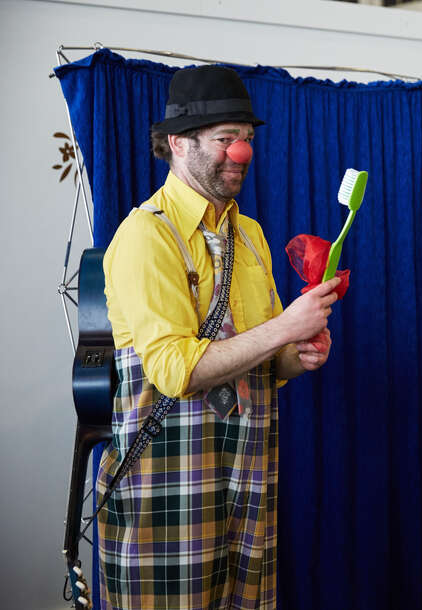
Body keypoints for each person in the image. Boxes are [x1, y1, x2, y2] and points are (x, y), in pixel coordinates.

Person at [98, 65, 341, 609]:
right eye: (226, 139)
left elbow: (266, 362)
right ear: (179, 145)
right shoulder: (145, 234)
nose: (242, 153)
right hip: (164, 484)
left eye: (247, 139)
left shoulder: (248, 234)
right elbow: (174, 372)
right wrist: (286, 326)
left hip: (247, 476)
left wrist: (300, 353)